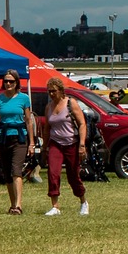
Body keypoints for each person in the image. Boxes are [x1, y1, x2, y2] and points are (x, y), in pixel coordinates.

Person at [0, 69, 34, 215]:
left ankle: (18, 205)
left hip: (19, 138)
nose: (8, 84)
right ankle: (12, 203)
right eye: (6, 81)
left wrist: (32, 142)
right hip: (3, 138)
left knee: (16, 171)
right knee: (7, 173)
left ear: (16, 83)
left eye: (11, 81)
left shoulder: (24, 98)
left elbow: (28, 121)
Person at [43, 77, 89, 216]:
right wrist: (45, 147)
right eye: (49, 91)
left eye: (54, 91)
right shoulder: (49, 106)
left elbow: (82, 124)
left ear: (61, 91)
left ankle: (83, 201)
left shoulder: (71, 103)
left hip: (71, 143)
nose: (51, 94)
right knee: (53, 173)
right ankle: (55, 206)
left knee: (73, 175)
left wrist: (81, 144)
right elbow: (47, 128)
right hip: (55, 143)